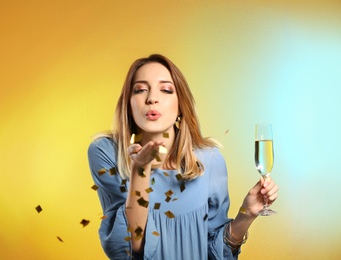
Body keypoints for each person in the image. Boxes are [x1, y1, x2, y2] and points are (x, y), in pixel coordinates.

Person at [87, 54, 279, 260]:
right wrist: (140, 172)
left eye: (166, 90)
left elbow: (216, 252)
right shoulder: (106, 152)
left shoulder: (210, 160)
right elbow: (131, 248)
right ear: (128, 105)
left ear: (181, 106)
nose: (152, 98)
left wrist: (247, 214)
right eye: (141, 89)